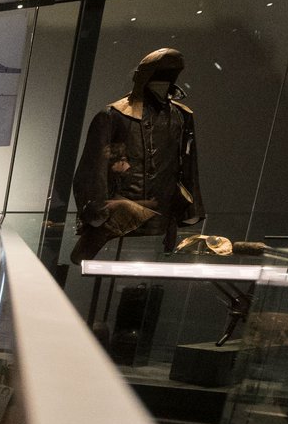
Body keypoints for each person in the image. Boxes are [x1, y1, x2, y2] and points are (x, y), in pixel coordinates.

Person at [69, 48, 205, 264]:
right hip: (117, 223)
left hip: (161, 220)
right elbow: (92, 170)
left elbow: (188, 165)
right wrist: (98, 215)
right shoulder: (113, 115)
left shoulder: (182, 116)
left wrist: (191, 209)